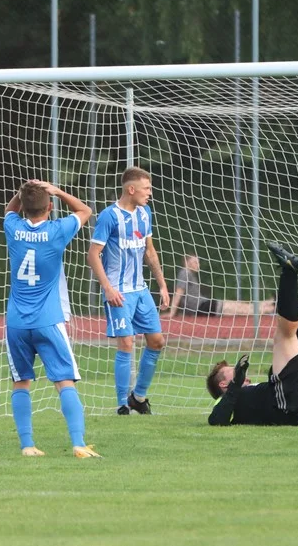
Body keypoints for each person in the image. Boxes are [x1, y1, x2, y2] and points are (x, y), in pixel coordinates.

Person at [3, 180, 99, 458]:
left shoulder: (14, 228)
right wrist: (56, 190)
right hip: (48, 320)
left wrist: (21, 193)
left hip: (17, 323)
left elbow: (8, 212)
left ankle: (27, 445)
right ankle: (78, 443)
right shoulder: (57, 231)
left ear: (23, 207)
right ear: (50, 207)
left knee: (21, 382)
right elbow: (85, 210)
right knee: (64, 381)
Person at [205, 243, 298, 427]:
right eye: (231, 371)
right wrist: (236, 384)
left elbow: (286, 386)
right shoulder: (226, 399)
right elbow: (216, 421)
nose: (239, 371)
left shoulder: (254, 391)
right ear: (223, 385)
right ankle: (289, 272)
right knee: (284, 337)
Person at [87, 166, 169, 415]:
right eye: (147, 188)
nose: (150, 193)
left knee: (156, 341)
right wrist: (108, 289)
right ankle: (122, 403)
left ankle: (139, 397)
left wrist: (162, 285)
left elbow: (149, 251)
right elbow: (93, 255)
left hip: (141, 290)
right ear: (130, 189)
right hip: (119, 291)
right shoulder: (109, 216)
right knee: (126, 343)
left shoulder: (145, 214)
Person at [167, 254, 275, 318]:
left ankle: (270, 303)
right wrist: (172, 313)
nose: (197, 265)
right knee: (242, 310)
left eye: (198, 262)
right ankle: (272, 307)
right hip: (202, 308)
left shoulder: (189, 274)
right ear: (186, 262)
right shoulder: (185, 272)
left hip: (206, 304)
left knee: (240, 306)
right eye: (195, 262)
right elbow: (178, 293)